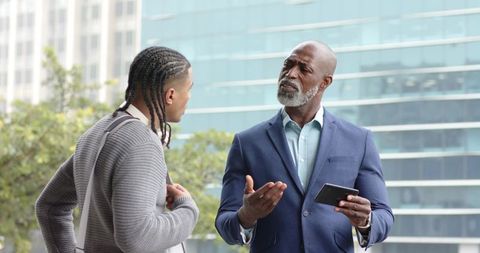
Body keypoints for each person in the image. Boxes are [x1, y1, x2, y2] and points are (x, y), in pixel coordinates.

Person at [215, 41, 393, 253]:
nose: (290, 74)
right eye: (287, 65)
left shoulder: (359, 140)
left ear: (325, 82)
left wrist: (366, 220)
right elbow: (225, 223)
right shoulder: (247, 143)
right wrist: (247, 214)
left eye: (303, 69)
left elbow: (383, 215)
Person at [36, 46, 199, 253]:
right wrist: (188, 210)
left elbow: (50, 207)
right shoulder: (142, 142)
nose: (190, 97)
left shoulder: (96, 132)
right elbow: (137, 238)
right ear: (170, 95)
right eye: (189, 89)